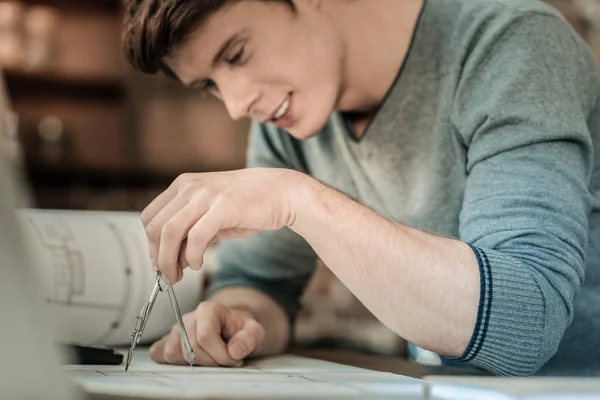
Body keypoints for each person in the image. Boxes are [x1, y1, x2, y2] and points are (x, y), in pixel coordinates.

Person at [121, 0, 600, 376]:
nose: (236, 104)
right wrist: (237, 318)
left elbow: (525, 323)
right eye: (208, 85)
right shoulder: (284, 118)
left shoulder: (512, 44)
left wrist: (298, 199)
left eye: (237, 54)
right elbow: (261, 284)